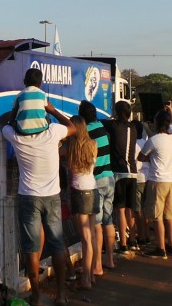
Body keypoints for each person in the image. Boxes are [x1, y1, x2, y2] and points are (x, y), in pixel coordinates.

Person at [0, 97, 74, 306]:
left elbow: (0, 123)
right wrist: (52, 109)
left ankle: (36, 297)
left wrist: (15, 111)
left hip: (28, 197)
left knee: (31, 249)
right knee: (57, 244)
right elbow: (72, 127)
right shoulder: (52, 133)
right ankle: (60, 294)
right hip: (52, 196)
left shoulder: (17, 137)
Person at [78, 100, 116, 274]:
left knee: (97, 225)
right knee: (109, 221)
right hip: (109, 178)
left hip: (98, 181)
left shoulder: (87, 132)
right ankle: (110, 260)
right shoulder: (101, 125)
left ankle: (98, 265)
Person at [101, 100, 145, 252]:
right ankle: (132, 240)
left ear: (117, 112)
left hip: (118, 171)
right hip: (132, 172)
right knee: (129, 208)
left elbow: (100, 121)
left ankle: (124, 244)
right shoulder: (133, 127)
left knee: (119, 209)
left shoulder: (113, 126)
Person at [63, 115, 98, 290]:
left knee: (84, 239)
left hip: (79, 193)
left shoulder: (69, 148)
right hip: (93, 189)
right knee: (90, 237)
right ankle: (90, 276)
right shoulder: (93, 145)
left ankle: (85, 279)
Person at [138, 109, 172, 259]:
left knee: (157, 217)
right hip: (170, 180)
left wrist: (152, 159)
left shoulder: (154, 140)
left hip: (157, 180)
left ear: (156, 123)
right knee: (169, 216)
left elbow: (141, 157)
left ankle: (160, 248)